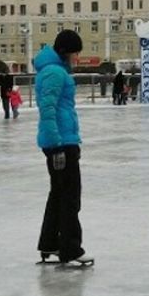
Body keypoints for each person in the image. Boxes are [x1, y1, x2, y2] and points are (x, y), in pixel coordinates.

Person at [34, 30, 92, 266]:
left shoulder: (53, 71)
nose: (77, 58)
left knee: (58, 195)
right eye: (75, 53)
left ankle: (50, 243)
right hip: (61, 142)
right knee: (70, 197)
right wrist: (57, 144)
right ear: (65, 52)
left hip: (63, 140)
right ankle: (70, 248)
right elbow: (47, 109)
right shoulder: (55, 73)